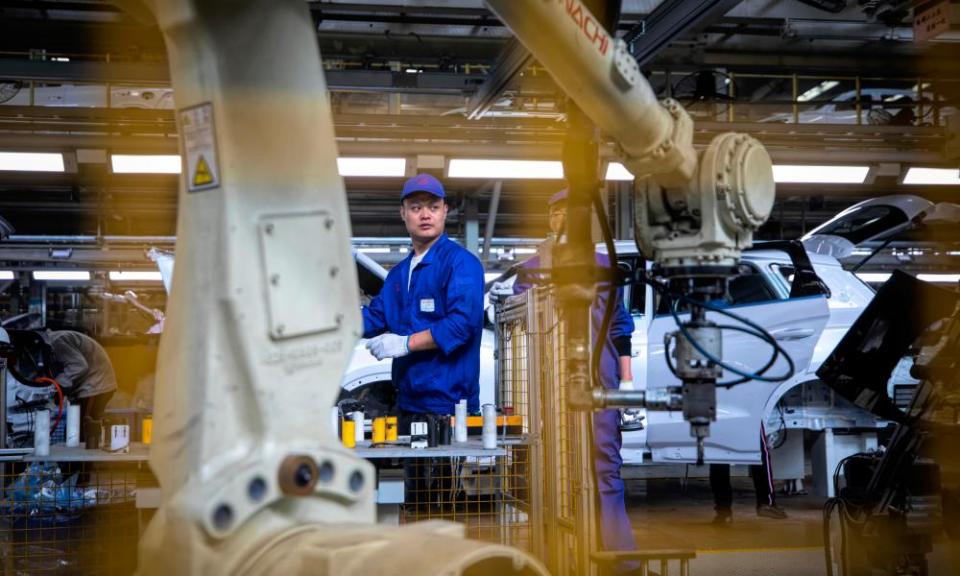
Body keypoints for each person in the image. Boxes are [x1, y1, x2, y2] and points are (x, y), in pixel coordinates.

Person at [512, 188, 640, 572]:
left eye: (574, 210)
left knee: (604, 466)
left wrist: (628, 383)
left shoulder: (607, 267)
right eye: (556, 212)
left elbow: (620, 328)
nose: (564, 218)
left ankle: (617, 560)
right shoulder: (532, 269)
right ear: (549, 219)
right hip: (548, 388)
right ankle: (558, 558)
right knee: (553, 471)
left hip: (600, 383)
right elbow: (517, 326)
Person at [361, 173, 485, 419]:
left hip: (450, 408)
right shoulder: (397, 275)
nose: (425, 215)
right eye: (416, 208)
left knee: (440, 460)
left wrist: (405, 343)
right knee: (406, 459)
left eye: (433, 207)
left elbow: (461, 325)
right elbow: (375, 316)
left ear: (445, 211)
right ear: (403, 213)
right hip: (407, 402)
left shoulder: (461, 264)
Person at [709, 422, 787, 524]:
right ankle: (766, 503)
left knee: (718, 455)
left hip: (720, 412)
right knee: (759, 451)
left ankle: (723, 512)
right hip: (746, 411)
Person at [44, 329, 118, 423]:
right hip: (93, 383)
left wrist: (57, 384)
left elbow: (79, 366)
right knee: (80, 425)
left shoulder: (56, 342)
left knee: (85, 424)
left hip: (95, 385)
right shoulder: (52, 342)